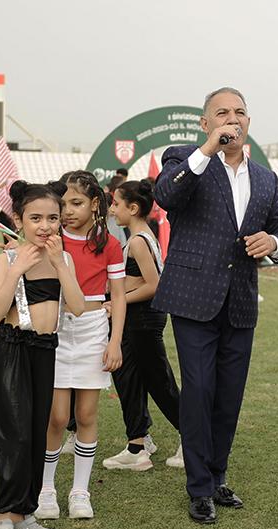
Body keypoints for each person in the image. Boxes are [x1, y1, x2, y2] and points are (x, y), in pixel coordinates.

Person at [153, 87, 278, 524]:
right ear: (205, 123)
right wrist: (208, 150)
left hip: (240, 301)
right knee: (198, 392)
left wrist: (273, 243)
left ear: (249, 121)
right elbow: (166, 196)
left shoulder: (266, 178)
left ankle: (216, 477)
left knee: (229, 396)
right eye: (222, 113)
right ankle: (198, 487)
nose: (233, 119)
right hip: (193, 298)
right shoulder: (183, 158)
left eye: (240, 112)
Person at [0, 180, 85, 529]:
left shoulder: (64, 259)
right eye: (36, 218)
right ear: (19, 220)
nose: (45, 226)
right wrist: (17, 269)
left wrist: (59, 265)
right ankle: (0, 524)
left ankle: (23, 516)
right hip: (13, 350)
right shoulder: (7, 258)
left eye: (53, 218)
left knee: (35, 434)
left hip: (46, 351)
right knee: (13, 436)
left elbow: (77, 306)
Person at [36, 170, 125, 521]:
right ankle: (46, 490)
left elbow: (119, 296)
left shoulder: (109, 244)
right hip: (55, 329)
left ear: (95, 204)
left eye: (76, 203)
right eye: (63, 204)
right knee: (57, 417)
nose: (68, 211)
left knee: (86, 415)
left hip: (93, 330)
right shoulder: (51, 240)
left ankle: (79, 492)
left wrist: (115, 341)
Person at [103, 179, 183, 471]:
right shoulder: (139, 236)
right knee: (129, 380)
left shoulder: (138, 241)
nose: (112, 209)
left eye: (116, 204)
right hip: (135, 319)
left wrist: (118, 302)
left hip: (143, 319)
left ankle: (194, 438)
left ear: (133, 208)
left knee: (159, 382)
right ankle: (137, 445)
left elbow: (154, 285)